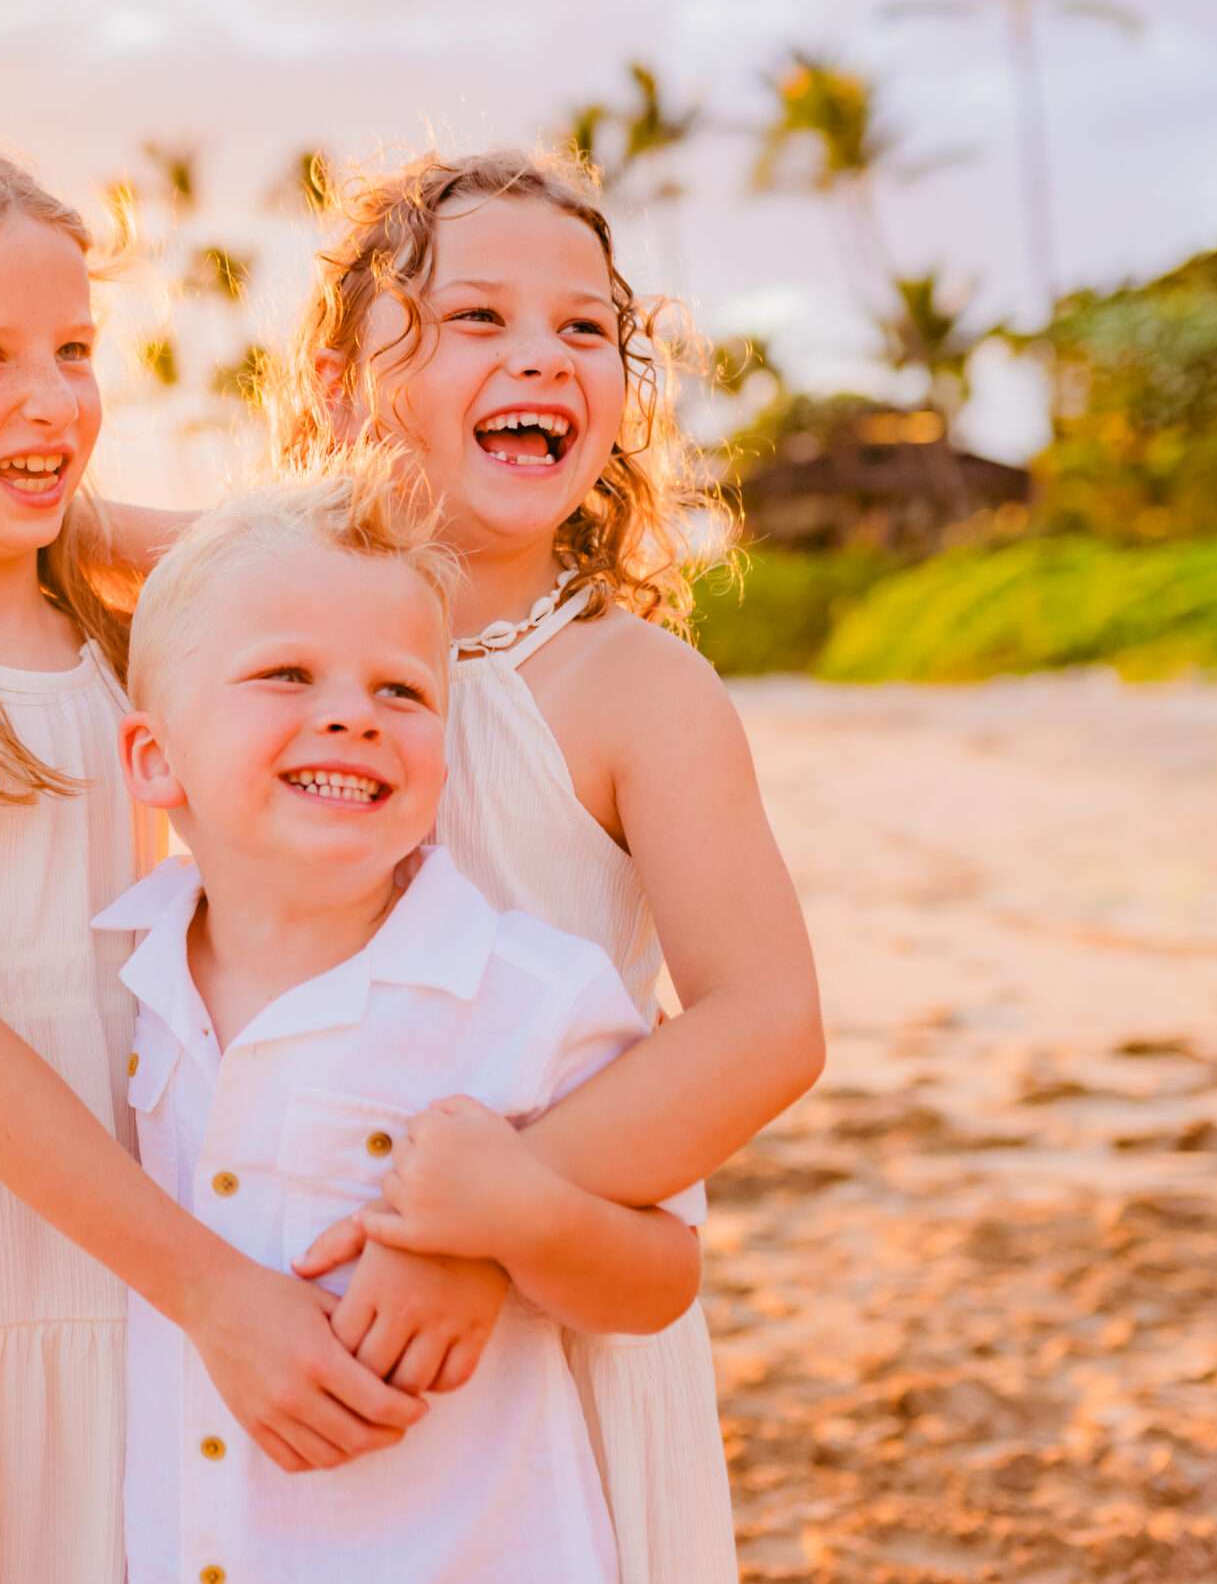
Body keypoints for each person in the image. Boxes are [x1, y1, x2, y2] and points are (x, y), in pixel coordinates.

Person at [0, 137, 496, 1584]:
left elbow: (313, 562)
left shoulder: (96, 605)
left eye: (73, 349)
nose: (52, 397)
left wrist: (70, 518)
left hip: (148, 1268)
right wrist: (213, 1293)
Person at [276, 147, 826, 1582]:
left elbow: (767, 1021)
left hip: (553, 1281)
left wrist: (482, 1218)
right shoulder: (251, 648)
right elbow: (41, 564)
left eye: (586, 327)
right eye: (477, 320)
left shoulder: (636, 688)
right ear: (340, 385)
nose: (545, 356)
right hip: (294, 1298)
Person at [95, 471, 707, 1583]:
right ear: (153, 761)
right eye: (286, 675)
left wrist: (516, 1215)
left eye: (401, 691)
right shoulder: (123, 986)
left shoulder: (526, 996)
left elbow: (662, 1277)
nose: (348, 715)